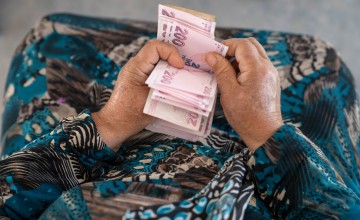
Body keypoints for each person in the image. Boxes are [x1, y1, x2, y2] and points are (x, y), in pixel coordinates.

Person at [0, 14, 359, 219]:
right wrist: (265, 130)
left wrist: (108, 124)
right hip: (274, 183)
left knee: (47, 36)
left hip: (82, 165)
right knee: (321, 64)